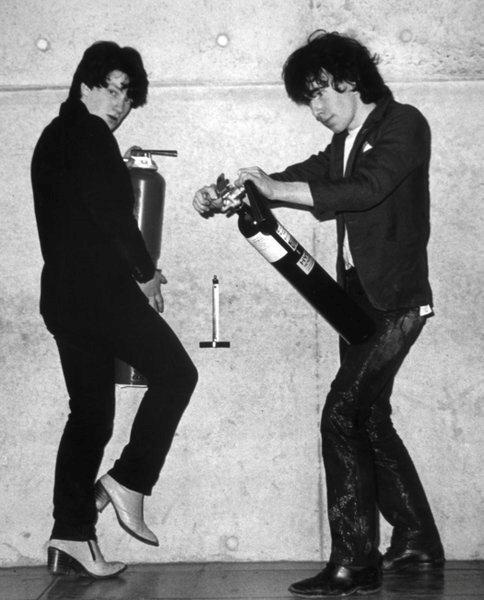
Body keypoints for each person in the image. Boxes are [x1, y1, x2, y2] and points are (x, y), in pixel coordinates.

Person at [193, 31, 444, 597]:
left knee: (340, 417)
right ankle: (417, 541)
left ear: (350, 79)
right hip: (355, 302)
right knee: (369, 419)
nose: (316, 107)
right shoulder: (345, 142)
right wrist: (235, 190)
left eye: (321, 92)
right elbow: (301, 175)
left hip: (396, 301)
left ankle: (355, 562)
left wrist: (274, 187)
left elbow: (364, 189)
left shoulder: (404, 124)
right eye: (309, 98)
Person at [32, 41, 198, 579]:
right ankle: (128, 480)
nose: (120, 104)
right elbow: (113, 215)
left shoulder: (53, 137)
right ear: (84, 86)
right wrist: (146, 275)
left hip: (65, 298)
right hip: (100, 296)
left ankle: (70, 536)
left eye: (128, 96)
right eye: (112, 89)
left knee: (89, 417)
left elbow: (81, 219)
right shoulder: (90, 135)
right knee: (177, 374)